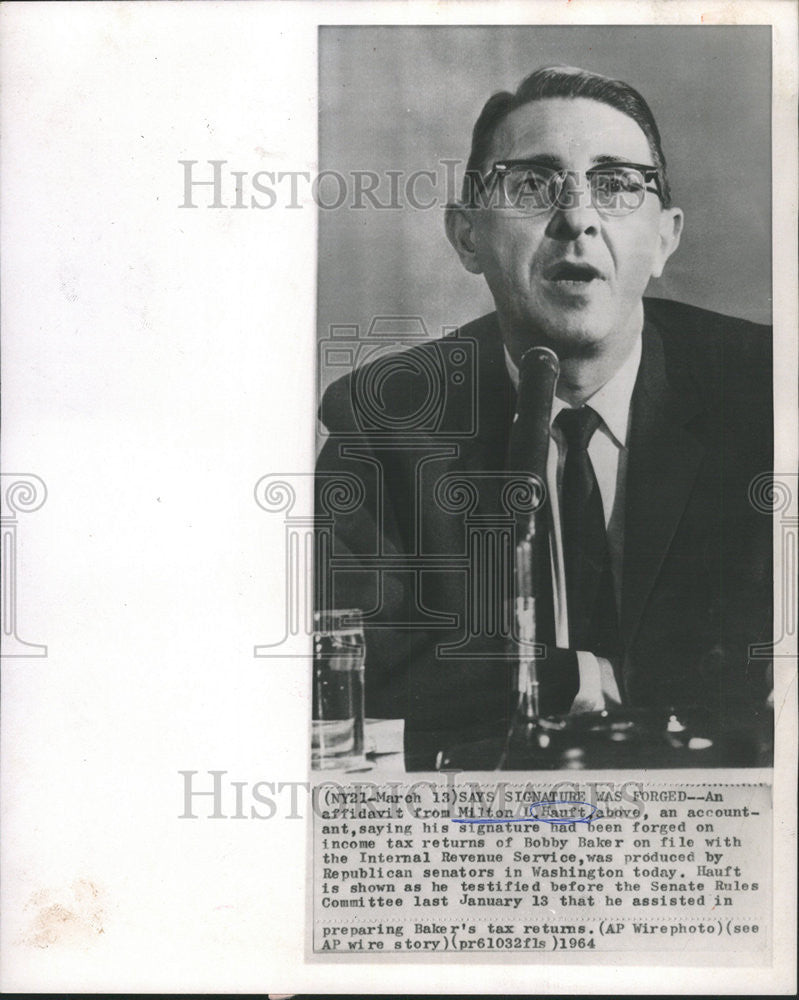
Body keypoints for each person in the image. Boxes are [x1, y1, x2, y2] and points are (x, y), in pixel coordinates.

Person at [315, 66, 773, 769]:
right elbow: (346, 659)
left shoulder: (767, 394)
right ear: (467, 235)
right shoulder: (387, 420)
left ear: (665, 238)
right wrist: (581, 681)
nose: (577, 217)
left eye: (616, 184)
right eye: (532, 183)